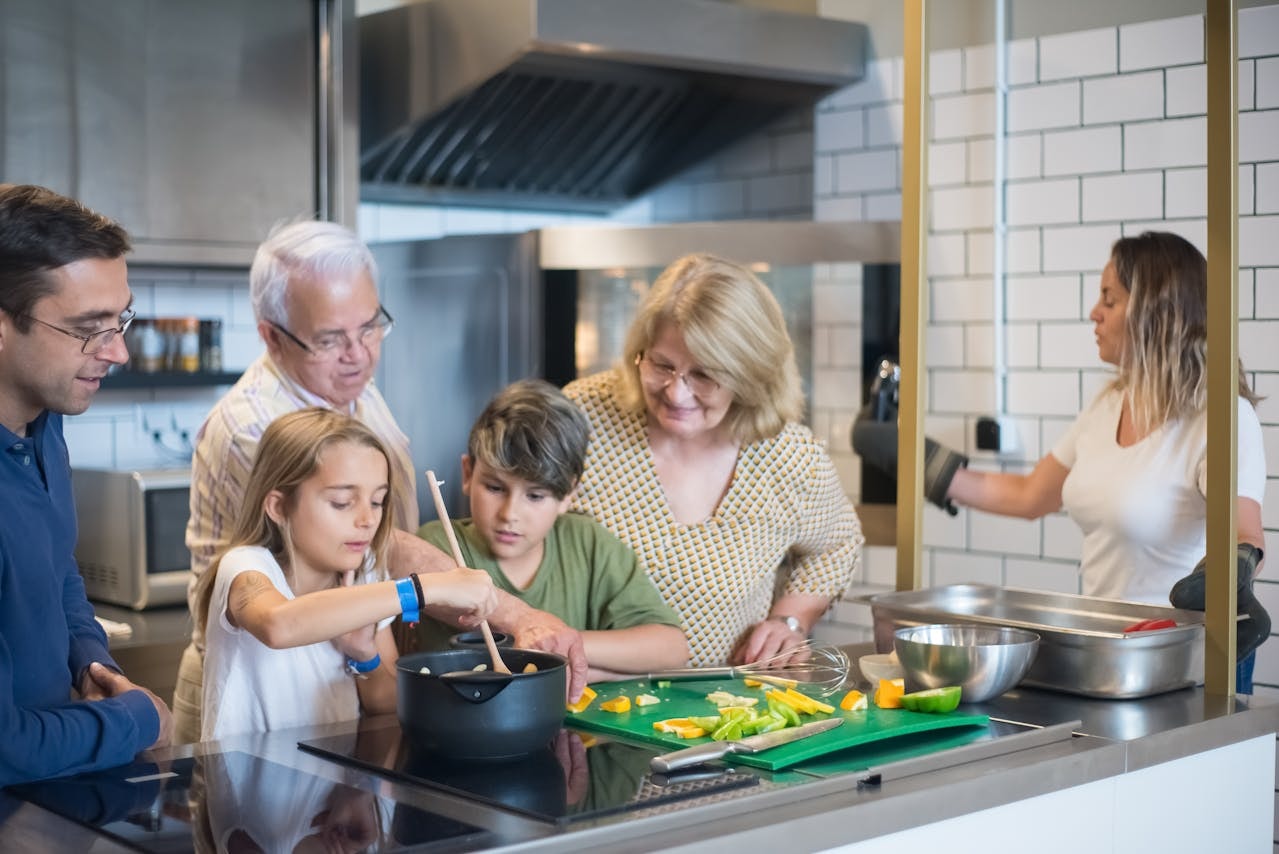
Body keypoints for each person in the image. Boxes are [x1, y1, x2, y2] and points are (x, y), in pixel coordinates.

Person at [174, 221, 587, 743]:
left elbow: (371, 566)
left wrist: (371, 656)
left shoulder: (348, 384)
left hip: (339, 680)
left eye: (370, 327)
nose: (360, 353)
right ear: (272, 337)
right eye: (331, 339)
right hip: (257, 693)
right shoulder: (252, 429)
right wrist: (487, 605)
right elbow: (377, 548)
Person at [854, 230, 1269, 687]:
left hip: (1183, 661)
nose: (1094, 313)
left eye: (1109, 300)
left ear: (1158, 311)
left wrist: (1231, 570)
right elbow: (1030, 495)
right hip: (1111, 652)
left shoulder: (1223, 417)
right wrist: (914, 459)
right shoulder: (1108, 405)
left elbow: (1243, 532)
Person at [563, 254, 865, 668]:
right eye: (662, 365)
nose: (676, 393)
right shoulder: (583, 417)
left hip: (723, 711)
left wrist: (790, 621)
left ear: (749, 375)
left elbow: (836, 545)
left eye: (703, 375)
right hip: (584, 706)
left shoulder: (788, 458)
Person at [0, 183, 173, 785]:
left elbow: (58, 568)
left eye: (120, 319)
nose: (120, 352)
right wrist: (138, 718)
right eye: (89, 328)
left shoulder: (42, 424)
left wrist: (89, 660)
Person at [195, 408, 498, 741]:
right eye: (342, 503)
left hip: (334, 783)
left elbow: (386, 702)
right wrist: (424, 588)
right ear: (279, 507)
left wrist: (365, 656)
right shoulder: (245, 566)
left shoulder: (364, 572)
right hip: (249, 786)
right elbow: (278, 625)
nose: (368, 519)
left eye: (378, 501)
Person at [415, 380, 689, 679]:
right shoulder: (436, 545)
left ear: (568, 495)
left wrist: (562, 642)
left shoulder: (588, 542)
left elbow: (671, 649)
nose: (510, 514)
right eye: (495, 487)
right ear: (468, 474)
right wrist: (596, 669)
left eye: (535, 496)